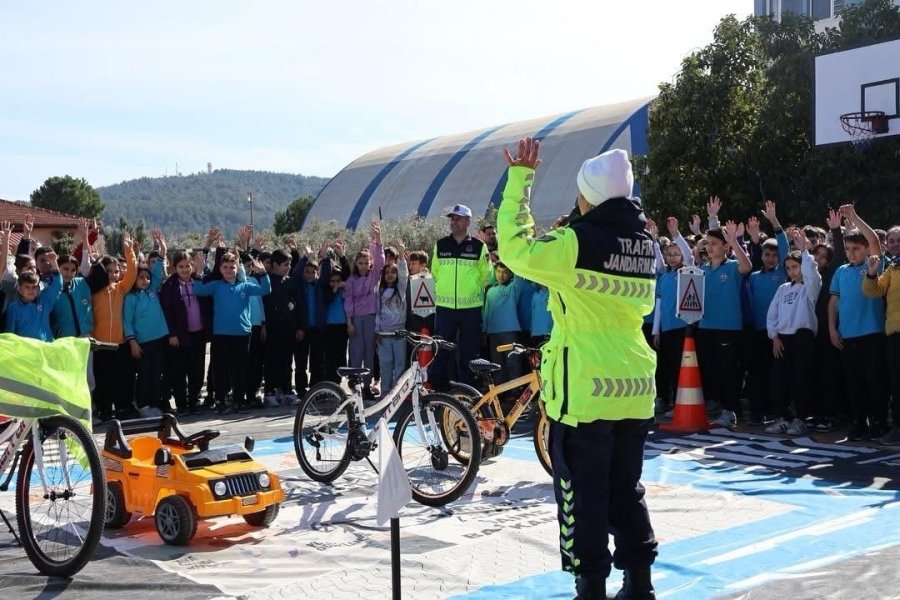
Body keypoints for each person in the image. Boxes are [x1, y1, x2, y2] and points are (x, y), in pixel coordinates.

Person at [499, 138, 658, 600]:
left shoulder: (575, 243)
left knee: (582, 496)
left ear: (588, 195)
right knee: (625, 490)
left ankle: (590, 588)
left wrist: (519, 181)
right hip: (634, 386)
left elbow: (514, 248)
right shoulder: (645, 244)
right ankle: (639, 584)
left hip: (586, 391)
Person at [828, 204, 888, 440]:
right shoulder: (841, 271)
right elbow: (833, 302)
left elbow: (874, 239)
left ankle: (879, 422)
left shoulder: (872, 265)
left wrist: (854, 217)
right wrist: (832, 329)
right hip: (847, 334)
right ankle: (859, 423)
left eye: (856, 248)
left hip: (872, 333)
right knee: (854, 382)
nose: (851, 253)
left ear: (865, 250)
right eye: (847, 249)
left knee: (875, 380)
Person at [195, 251, 271, 414]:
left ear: (238, 268)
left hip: (242, 335)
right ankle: (220, 400)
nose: (229, 270)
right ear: (220, 269)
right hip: (220, 335)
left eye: (232, 267)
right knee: (220, 369)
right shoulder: (216, 286)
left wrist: (263, 272)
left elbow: (265, 289)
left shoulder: (246, 286)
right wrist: (199, 271)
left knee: (240, 370)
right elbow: (199, 290)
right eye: (225, 267)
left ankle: (238, 400)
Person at [697, 215, 753, 428]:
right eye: (707, 244)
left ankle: (731, 411)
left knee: (729, 371)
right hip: (705, 326)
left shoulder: (732, 267)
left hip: (728, 328)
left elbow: (747, 266)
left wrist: (734, 241)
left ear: (725, 246)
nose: (710, 248)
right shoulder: (701, 270)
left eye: (714, 244)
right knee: (712, 371)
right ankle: (720, 407)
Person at [766, 230, 822, 435]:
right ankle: (783, 417)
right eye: (788, 268)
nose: (792, 271)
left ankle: (801, 418)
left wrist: (805, 250)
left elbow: (812, 274)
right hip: (783, 338)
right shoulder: (782, 289)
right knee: (780, 380)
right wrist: (774, 337)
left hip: (803, 337)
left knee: (802, 378)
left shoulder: (810, 287)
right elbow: (772, 315)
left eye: (795, 267)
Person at [429, 204, 492, 389]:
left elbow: (486, 275)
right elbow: (435, 273)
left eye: (458, 218)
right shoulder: (440, 244)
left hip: (471, 309)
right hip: (445, 308)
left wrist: (471, 290)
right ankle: (440, 389)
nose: (453, 221)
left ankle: (468, 391)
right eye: (452, 218)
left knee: (469, 352)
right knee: (442, 349)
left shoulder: (479, 247)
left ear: (467, 221)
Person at [746, 203, 789, 424]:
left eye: (774, 255)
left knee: (777, 375)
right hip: (757, 333)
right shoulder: (754, 277)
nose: (771, 258)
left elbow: (785, 246)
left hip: (778, 334)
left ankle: (777, 411)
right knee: (757, 374)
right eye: (767, 254)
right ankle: (757, 411)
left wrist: (774, 221)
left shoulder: (783, 273)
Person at [92, 232, 139, 421]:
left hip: (120, 343)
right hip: (100, 344)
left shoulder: (121, 288)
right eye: (108, 271)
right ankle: (103, 409)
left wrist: (128, 250)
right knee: (102, 380)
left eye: (115, 271)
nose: (112, 274)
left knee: (123, 379)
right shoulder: (94, 291)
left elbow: (133, 272)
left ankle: (123, 408)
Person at [651, 217, 694, 414]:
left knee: (680, 367)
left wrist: (676, 234)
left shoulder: (686, 272)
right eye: (670, 254)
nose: (673, 257)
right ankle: (667, 401)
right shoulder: (665, 277)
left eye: (676, 254)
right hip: (666, 329)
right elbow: (659, 305)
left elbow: (690, 256)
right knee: (667, 367)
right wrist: (656, 331)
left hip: (682, 327)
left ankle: (681, 403)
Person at [159, 249, 210, 414]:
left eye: (188, 266)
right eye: (181, 266)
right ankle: (181, 404)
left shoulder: (199, 281)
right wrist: (172, 333)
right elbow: (166, 311)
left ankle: (194, 401)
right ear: (175, 268)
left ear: (192, 266)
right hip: (180, 336)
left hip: (198, 333)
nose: (185, 269)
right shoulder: (170, 285)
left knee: (197, 369)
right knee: (179, 371)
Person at [862, 238, 900, 445]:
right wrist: (871, 272)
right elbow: (873, 291)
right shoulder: (892, 269)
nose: (896, 244)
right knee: (896, 384)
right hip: (895, 333)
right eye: (892, 240)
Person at [124, 253, 170, 418]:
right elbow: (127, 321)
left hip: (160, 340)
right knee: (144, 375)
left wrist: (161, 251)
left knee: (157, 373)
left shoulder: (152, 290)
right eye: (141, 278)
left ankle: (155, 404)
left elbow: (157, 272)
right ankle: (143, 405)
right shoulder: (130, 298)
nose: (145, 280)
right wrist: (132, 342)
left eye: (147, 278)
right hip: (143, 343)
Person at [344, 220, 384, 398]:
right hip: (356, 321)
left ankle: (367, 387)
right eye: (359, 262)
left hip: (370, 318)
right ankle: (356, 385)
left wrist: (377, 240)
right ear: (356, 264)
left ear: (370, 264)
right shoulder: (351, 280)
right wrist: (349, 323)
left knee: (369, 353)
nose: (362, 265)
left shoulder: (374, 276)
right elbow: (348, 302)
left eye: (365, 262)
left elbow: (380, 259)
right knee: (356, 352)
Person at [262, 248, 304, 406]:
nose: (288, 267)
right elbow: (262, 306)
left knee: (287, 361)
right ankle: (270, 391)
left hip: (289, 329)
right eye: (285, 264)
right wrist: (263, 326)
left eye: (289, 264)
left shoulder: (291, 282)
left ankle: (287, 390)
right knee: (271, 361)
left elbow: (299, 305)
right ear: (274, 265)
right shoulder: (267, 282)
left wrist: (300, 327)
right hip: (272, 329)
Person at [376, 240, 409, 398]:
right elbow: (377, 313)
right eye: (387, 272)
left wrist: (402, 254)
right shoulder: (380, 291)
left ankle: (398, 395)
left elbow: (404, 275)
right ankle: (385, 394)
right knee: (386, 364)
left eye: (393, 272)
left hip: (400, 333)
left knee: (400, 364)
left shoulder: (401, 289)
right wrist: (377, 331)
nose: (390, 275)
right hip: (384, 335)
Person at [6, 252, 62, 341]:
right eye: (27, 287)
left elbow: (57, 285)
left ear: (39, 288)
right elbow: (10, 334)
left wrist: (54, 262)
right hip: (25, 350)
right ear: (20, 289)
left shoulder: (45, 301)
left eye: (34, 287)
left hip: (45, 348)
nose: (31, 290)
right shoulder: (13, 308)